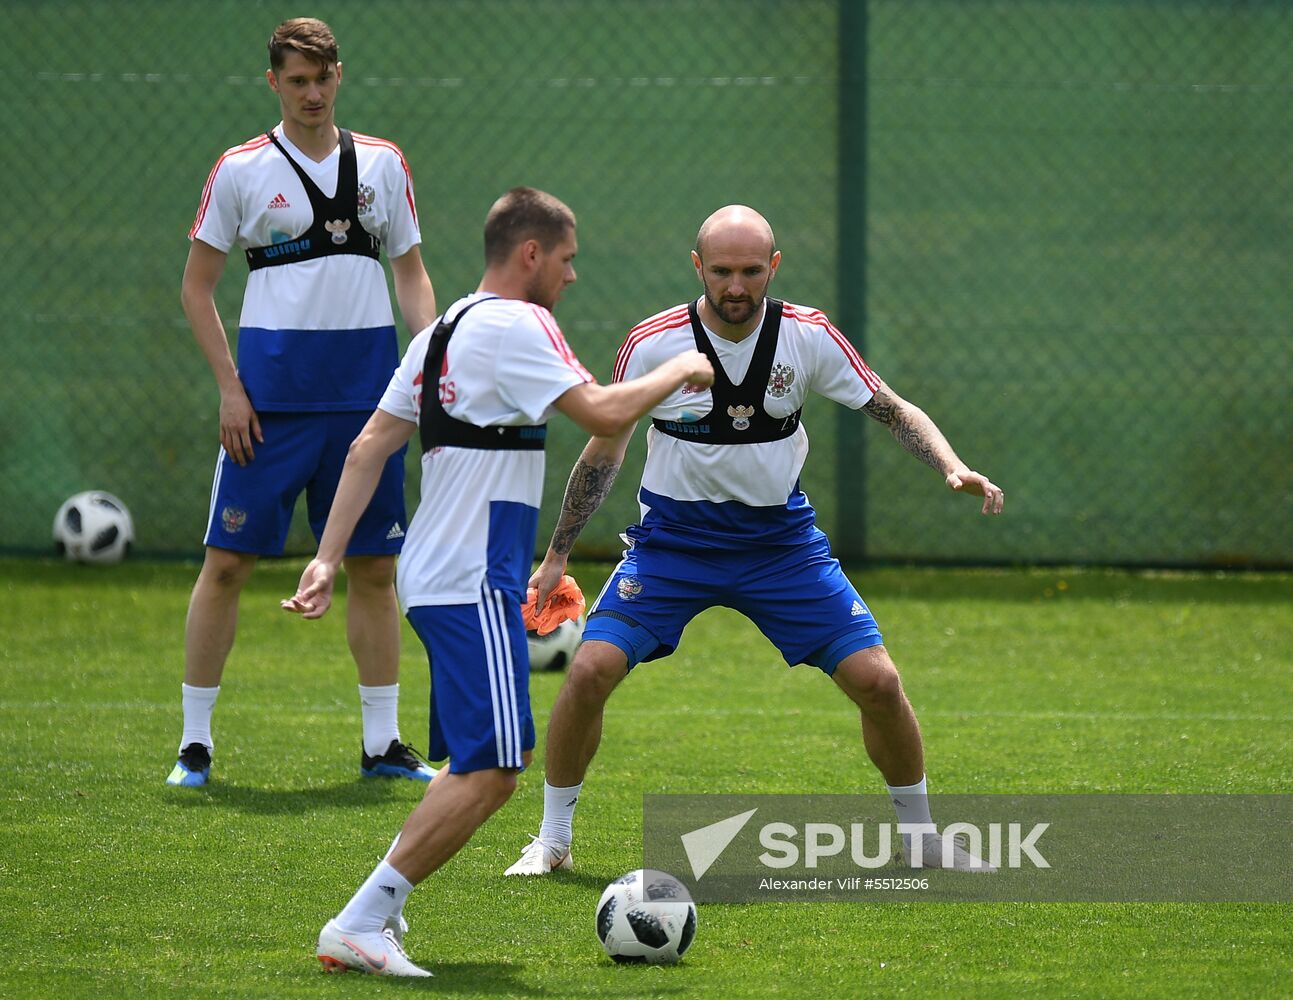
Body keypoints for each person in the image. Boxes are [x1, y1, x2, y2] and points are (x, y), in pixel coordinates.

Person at [281, 187, 715, 976]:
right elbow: (601, 411)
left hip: (433, 573)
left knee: (470, 767)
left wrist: (326, 557)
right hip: (472, 577)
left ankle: (379, 912)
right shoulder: (521, 324)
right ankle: (361, 919)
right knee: (495, 772)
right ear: (530, 255)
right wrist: (682, 368)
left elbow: (369, 446)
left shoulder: (441, 330)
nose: (571, 276)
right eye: (567, 259)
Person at [505, 205, 1006, 878]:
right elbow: (603, 452)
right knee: (589, 673)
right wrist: (558, 553)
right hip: (673, 544)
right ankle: (552, 841)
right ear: (696, 267)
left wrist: (950, 464)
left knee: (879, 683)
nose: (734, 287)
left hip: (780, 546)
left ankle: (919, 837)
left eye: (749, 271)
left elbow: (891, 408)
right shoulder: (653, 343)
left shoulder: (808, 336)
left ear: (772, 267)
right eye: (720, 271)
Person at [168, 18, 438, 788]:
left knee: (375, 568)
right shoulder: (241, 169)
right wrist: (229, 388)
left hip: (369, 405)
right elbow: (196, 286)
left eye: (323, 79)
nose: (312, 93)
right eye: (297, 80)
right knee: (226, 565)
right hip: (268, 409)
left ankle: (382, 745)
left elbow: (411, 272)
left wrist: (430, 358)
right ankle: (195, 744)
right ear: (274, 83)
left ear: (339, 76)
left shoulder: (383, 164)